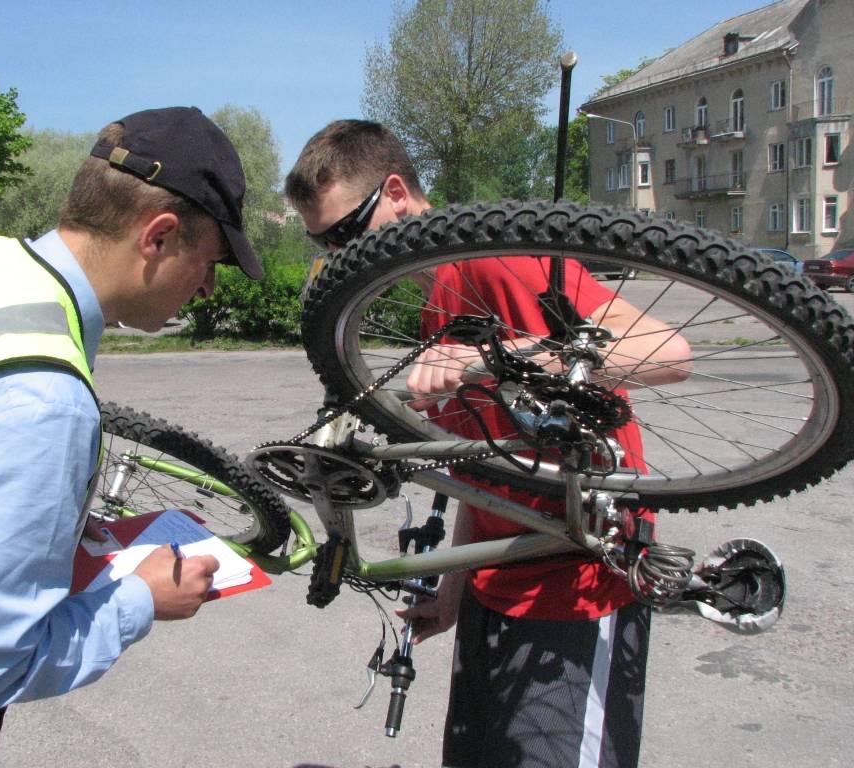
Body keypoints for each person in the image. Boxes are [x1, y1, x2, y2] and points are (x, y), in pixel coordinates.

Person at [0, 106, 264, 767]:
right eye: (211, 262)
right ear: (159, 236)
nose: (206, 288)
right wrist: (141, 600)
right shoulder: (39, 395)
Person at [285, 119, 692, 768]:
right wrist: (452, 592)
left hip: (577, 590)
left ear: (396, 193)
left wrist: (490, 359)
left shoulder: (493, 260)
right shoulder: (432, 308)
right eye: (323, 244)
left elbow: (667, 353)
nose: (340, 256)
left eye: (346, 232)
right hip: (496, 588)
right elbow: (482, 470)